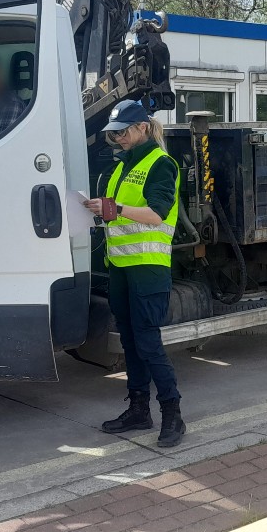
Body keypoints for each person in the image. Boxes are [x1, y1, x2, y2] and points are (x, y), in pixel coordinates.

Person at [84, 100, 186, 447]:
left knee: (148, 343)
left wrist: (114, 208)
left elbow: (157, 214)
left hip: (147, 270)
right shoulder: (123, 165)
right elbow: (119, 215)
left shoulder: (161, 163)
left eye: (123, 132)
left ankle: (173, 413)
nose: (118, 138)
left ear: (142, 127)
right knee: (129, 342)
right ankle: (139, 409)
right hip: (122, 269)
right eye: (114, 134)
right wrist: (99, 210)